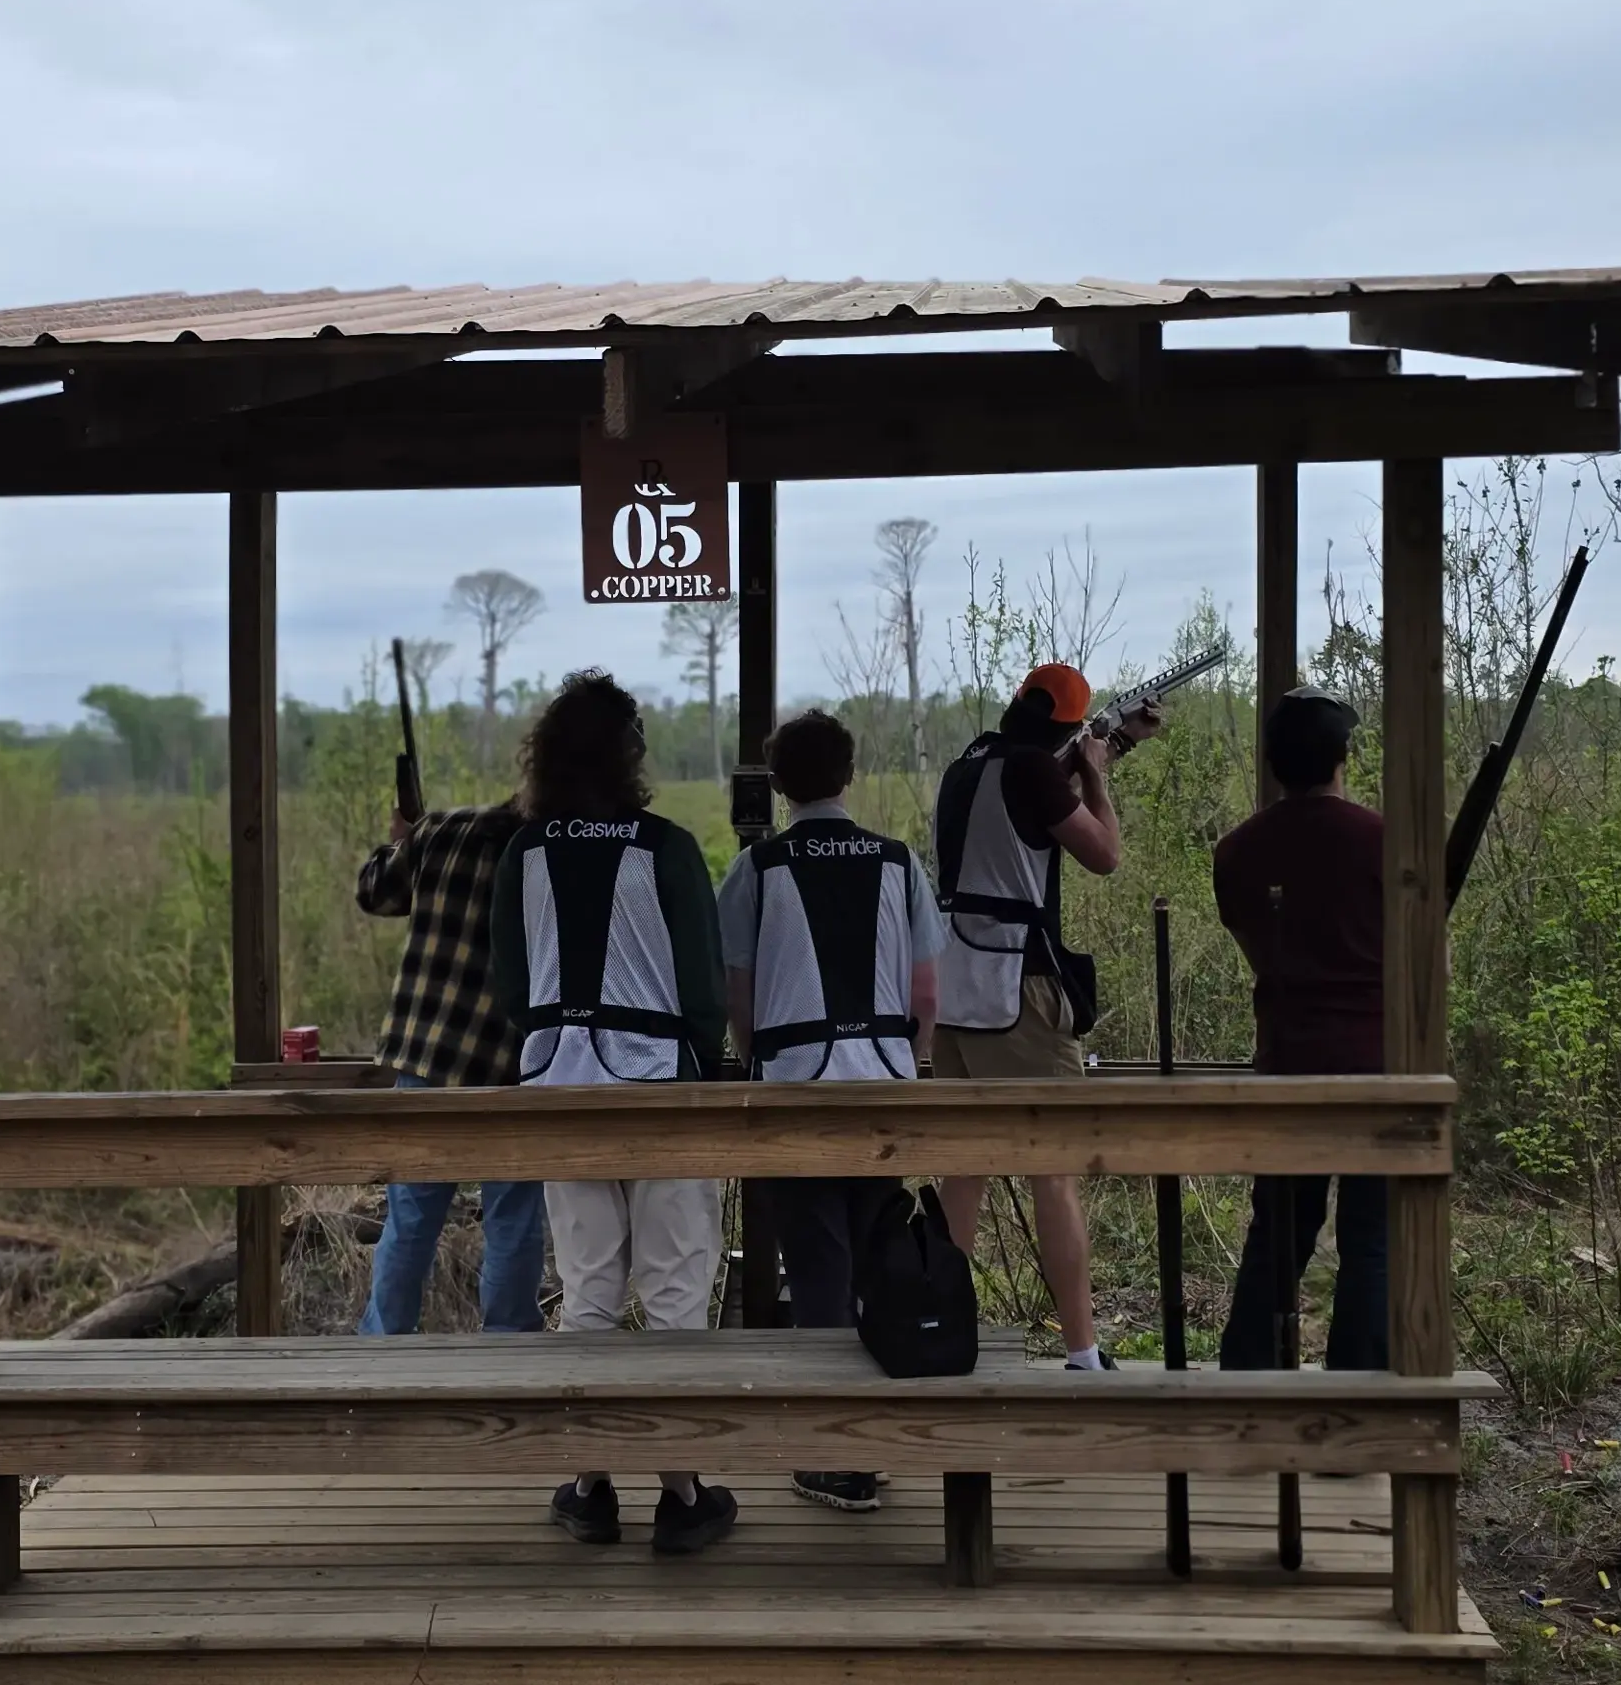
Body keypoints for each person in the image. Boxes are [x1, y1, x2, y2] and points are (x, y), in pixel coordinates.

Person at [491, 671, 738, 1554]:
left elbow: (513, 987)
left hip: (559, 1082)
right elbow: (702, 982)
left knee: (590, 1281)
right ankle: (682, 1488)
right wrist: (702, 1063)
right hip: (660, 1077)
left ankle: (590, 1480)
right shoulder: (665, 846)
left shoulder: (524, 851)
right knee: (675, 1279)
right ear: (628, 753)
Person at [717, 708, 942, 1511]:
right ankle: (874, 1436)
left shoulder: (757, 870)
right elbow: (924, 992)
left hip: (795, 1088)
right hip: (882, 1083)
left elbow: (737, 993)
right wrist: (908, 1063)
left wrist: (756, 1060)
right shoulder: (898, 862)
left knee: (816, 1267)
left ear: (778, 785)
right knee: (880, 1255)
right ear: (848, 775)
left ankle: (829, 1450)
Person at [929, 660, 1159, 1369]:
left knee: (961, 1167)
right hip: (1017, 990)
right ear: (1066, 726)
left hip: (956, 984)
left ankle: (942, 1326)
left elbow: (1033, 800)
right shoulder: (1034, 769)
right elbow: (1104, 854)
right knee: (1053, 1169)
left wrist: (1110, 747)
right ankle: (1083, 1353)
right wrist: (1100, 774)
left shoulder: (972, 762)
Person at [1210, 688, 1390, 1373]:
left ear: (1272, 761)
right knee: (1372, 1240)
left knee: (1280, 1234)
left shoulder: (1237, 852)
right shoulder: (1385, 839)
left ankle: (1249, 1387)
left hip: (1288, 1058)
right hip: (1378, 1064)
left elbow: (1256, 946)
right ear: (1345, 755)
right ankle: (1358, 1401)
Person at [351, 760, 542, 1335]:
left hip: (426, 1055)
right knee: (513, 1218)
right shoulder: (547, 854)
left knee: (410, 1216)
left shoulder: (443, 829)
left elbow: (375, 893)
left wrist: (402, 839)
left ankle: (384, 1348)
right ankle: (509, 1348)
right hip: (509, 1063)